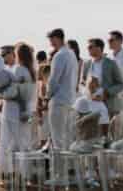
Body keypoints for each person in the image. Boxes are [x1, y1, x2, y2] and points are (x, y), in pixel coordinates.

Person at [46, 28, 79, 180]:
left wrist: (47, 96)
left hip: (59, 100)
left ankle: (59, 174)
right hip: (70, 100)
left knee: (57, 138)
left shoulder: (59, 55)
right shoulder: (72, 54)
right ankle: (69, 171)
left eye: (51, 39)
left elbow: (53, 80)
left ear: (57, 38)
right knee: (67, 138)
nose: (50, 43)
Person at [81, 38, 123, 119]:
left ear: (99, 48)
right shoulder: (87, 64)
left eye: (90, 47)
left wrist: (106, 93)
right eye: (88, 47)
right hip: (89, 104)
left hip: (107, 104)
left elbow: (121, 84)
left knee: (105, 130)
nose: (88, 49)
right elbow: (83, 81)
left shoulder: (111, 63)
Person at [14, 43, 39, 149]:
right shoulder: (31, 71)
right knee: (26, 138)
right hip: (29, 106)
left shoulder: (19, 69)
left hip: (20, 107)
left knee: (19, 139)